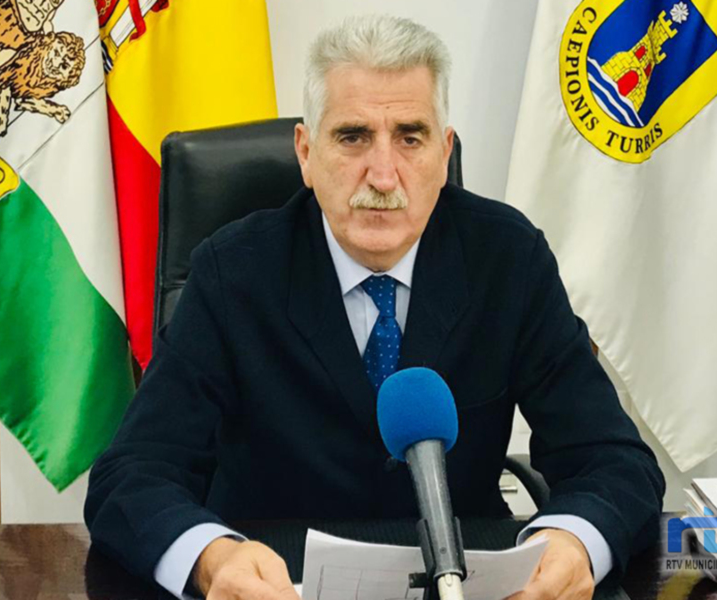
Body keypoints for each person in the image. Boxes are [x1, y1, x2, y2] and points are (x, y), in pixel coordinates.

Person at [85, 14, 665, 600]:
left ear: (444, 153)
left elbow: (614, 461)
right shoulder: (232, 271)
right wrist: (213, 559)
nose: (384, 176)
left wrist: (574, 540)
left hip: (465, 580)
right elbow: (132, 476)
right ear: (306, 153)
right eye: (353, 137)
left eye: (410, 137)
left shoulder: (508, 259)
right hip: (277, 583)